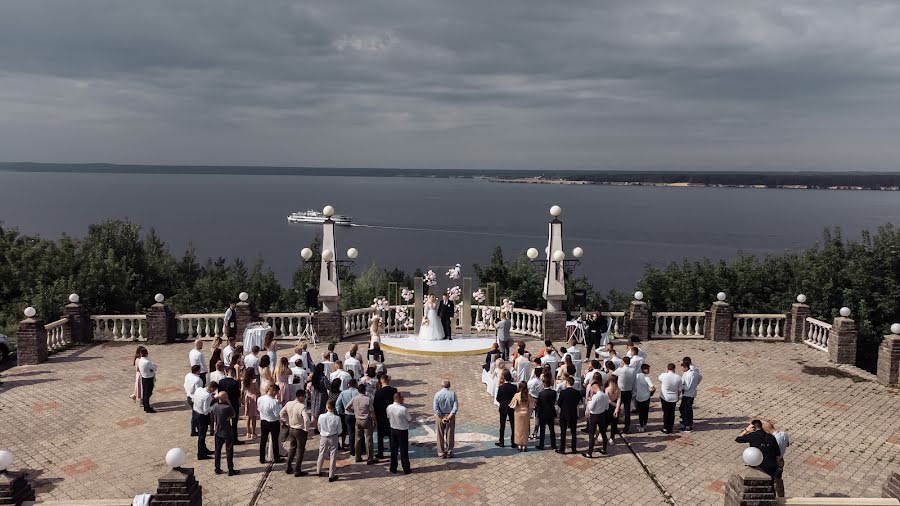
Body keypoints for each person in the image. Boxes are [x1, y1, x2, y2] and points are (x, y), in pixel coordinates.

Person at [280, 389, 311, 476]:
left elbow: (281, 413)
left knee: (292, 448)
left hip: (291, 428)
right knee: (300, 450)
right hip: (300, 430)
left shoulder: (289, 403)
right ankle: (297, 470)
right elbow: (306, 419)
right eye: (304, 396)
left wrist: (286, 421)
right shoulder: (301, 406)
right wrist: (306, 428)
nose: (305, 398)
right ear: (300, 396)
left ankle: (288, 466)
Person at [211, 392, 240, 476]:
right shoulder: (227, 407)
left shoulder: (215, 406)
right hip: (227, 432)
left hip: (218, 432)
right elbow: (234, 414)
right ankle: (230, 469)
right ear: (225, 398)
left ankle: (217, 468)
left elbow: (213, 417)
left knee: (217, 451)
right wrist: (229, 402)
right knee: (229, 451)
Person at [347, 383, 377, 464]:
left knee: (358, 439)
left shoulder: (355, 398)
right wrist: (374, 420)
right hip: (366, 419)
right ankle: (370, 458)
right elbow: (372, 411)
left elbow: (347, 407)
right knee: (368, 439)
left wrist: (354, 411)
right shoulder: (368, 399)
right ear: (364, 390)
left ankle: (358, 457)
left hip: (358, 419)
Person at [386, 391, 412, 474]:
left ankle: (393, 468)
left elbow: (388, 416)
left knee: (394, 450)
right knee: (404, 450)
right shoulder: (403, 409)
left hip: (393, 430)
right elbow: (409, 419)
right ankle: (406, 469)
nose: (403, 399)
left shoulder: (389, 407)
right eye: (402, 398)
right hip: (402, 431)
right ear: (399, 399)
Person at [217, 366, 244, 445]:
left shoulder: (221, 382)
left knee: (224, 422)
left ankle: (224, 438)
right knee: (234, 422)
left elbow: (219, 393)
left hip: (223, 404)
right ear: (234, 374)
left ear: (226, 373)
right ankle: (234, 439)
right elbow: (237, 395)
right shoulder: (235, 383)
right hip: (233, 404)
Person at [258, 384, 283, 464]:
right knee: (275, 440)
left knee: (263, 440)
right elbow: (277, 414)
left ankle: (261, 458)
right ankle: (276, 457)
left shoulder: (260, 398)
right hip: (273, 422)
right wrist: (280, 405)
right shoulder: (274, 402)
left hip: (263, 421)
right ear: (274, 391)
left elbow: (259, 408)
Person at [316, 400, 342, 482]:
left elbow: (319, 427)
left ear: (327, 407)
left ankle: (318, 471)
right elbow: (340, 430)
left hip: (323, 436)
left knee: (321, 453)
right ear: (334, 407)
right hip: (333, 436)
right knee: (333, 455)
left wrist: (322, 432)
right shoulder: (337, 418)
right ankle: (331, 475)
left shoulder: (321, 416)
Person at [373, 374, 397, 460]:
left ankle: (380, 453)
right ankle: (393, 451)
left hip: (381, 416)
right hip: (392, 416)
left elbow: (375, 406)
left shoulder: (378, 392)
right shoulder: (394, 390)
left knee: (380, 436)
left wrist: (375, 417)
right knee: (392, 435)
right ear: (388, 381)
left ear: (381, 381)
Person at [762, 421, 789, 497]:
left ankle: (773, 497)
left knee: (772, 481)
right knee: (779, 480)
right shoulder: (784, 434)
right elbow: (787, 444)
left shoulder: (772, 439)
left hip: (774, 462)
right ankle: (781, 496)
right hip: (781, 461)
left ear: (767, 431)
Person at [583, 381, 609, 458]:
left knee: (591, 434)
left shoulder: (595, 397)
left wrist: (590, 401)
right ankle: (604, 449)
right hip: (602, 415)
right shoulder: (604, 395)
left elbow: (591, 408)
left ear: (594, 388)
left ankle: (589, 452)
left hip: (594, 416)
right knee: (603, 432)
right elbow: (607, 407)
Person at [433, 380, 458, 458]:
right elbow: (455, 407)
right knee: (450, 435)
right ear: (449, 386)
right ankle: (449, 452)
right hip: (450, 416)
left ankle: (441, 452)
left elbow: (435, 408)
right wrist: (450, 416)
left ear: (442, 386)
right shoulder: (453, 394)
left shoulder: (437, 394)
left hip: (440, 416)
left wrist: (442, 417)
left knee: (440, 434)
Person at [556, 376, 580, 454]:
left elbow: (559, 403)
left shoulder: (563, 392)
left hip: (564, 414)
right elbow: (577, 402)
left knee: (563, 432)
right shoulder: (577, 392)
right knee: (573, 433)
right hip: (573, 414)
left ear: (567, 383)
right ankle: (574, 449)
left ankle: (562, 449)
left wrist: (564, 407)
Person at [192, 381, 216, 460]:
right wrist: (214, 406)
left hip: (195, 413)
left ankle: (204, 449)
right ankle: (201, 454)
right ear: (211, 388)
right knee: (202, 436)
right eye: (214, 390)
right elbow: (206, 411)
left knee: (201, 434)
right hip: (202, 416)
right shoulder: (207, 396)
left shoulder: (199, 389)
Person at [335, 378, 359, 454]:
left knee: (351, 432)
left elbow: (337, 404)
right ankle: (360, 448)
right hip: (357, 414)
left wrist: (341, 412)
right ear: (356, 384)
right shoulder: (358, 392)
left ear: (348, 385)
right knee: (359, 433)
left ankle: (352, 450)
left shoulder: (343, 393)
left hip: (347, 415)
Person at [613, 355, 636, 433]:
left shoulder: (620, 369)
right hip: (628, 391)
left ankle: (615, 427)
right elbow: (634, 383)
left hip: (620, 391)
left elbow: (613, 374)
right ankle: (627, 428)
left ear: (623, 362)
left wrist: (620, 366)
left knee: (617, 408)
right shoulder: (633, 370)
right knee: (627, 410)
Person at [495, 370, 517, 448]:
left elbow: (498, 398)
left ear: (504, 378)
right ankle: (513, 442)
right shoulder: (514, 387)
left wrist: (502, 402)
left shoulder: (501, 387)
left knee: (502, 425)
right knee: (513, 425)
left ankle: (501, 442)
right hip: (511, 407)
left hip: (503, 407)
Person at [658, 363, 682, 434]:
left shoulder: (663, 375)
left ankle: (665, 427)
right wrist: (678, 396)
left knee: (666, 413)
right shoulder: (678, 377)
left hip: (665, 397)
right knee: (672, 413)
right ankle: (670, 428)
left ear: (667, 368)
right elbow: (680, 389)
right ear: (674, 369)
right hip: (673, 397)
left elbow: (659, 379)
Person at [535, 376, 557, 450]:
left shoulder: (541, 393)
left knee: (542, 430)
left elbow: (538, 403)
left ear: (544, 384)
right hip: (551, 412)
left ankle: (541, 444)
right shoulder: (553, 392)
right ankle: (553, 444)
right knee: (552, 430)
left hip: (543, 413)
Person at [680, 359, 702, 433]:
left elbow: (687, 387)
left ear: (686, 367)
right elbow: (700, 377)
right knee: (684, 408)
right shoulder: (694, 373)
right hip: (691, 393)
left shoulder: (689, 375)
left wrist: (679, 387)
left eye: (682, 368)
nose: (682, 369)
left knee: (687, 410)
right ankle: (686, 422)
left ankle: (688, 425)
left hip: (688, 394)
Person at [509, 381, 531, 452]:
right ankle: (524, 445)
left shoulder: (517, 395)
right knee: (525, 429)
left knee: (518, 430)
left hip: (518, 414)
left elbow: (512, 404)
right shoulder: (528, 395)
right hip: (526, 414)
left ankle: (519, 445)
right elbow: (531, 405)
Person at [634, 363, 655, 432]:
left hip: (638, 397)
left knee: (640, 413)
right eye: (647, 369)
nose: (649, 370)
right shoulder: (646, 378)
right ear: (643, 370)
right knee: (645, 412)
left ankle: (641, 426)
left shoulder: (637, 376)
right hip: (646, 397)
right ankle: (645, 424)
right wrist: (651, 394)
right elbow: (653, 388)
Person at [184, 365, 204, 436]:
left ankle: (194, 429)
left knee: (194, 415)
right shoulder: (198, 380)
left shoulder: (188, 375)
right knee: (197, 415)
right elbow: (199, 391)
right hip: (194, 399)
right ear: (197, 371)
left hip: (189, 396)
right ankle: (196, 430)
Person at [309, 363, 330, 428]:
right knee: (321, 411)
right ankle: (321, 426)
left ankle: (315, 426)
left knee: (315, 411)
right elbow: (328, 386)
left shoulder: (314, 377)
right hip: (322, 396)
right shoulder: (323, 378)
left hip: (314, 395)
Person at [242, 368, 260, 440]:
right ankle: (253, 432)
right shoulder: (254, 381)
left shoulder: (244, 381)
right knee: (254, 417)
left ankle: (248, 432)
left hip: (247, 397)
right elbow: (257, 391)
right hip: (253, 397)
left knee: (248, 416)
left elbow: (242, 390)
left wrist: (242, 398)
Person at [604, 376, 622, 443]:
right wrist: (617, 408)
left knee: (606, 422)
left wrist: (615, 406)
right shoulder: (618, 390)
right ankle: (612, 438)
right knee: (614, 423)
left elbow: (608, 400)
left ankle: (603, 435)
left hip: (608, 407)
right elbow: (619, 399)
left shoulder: (607, 389)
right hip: (615, 408)